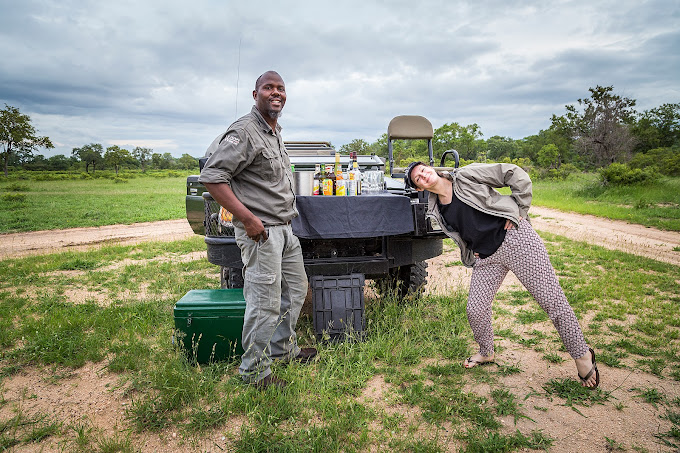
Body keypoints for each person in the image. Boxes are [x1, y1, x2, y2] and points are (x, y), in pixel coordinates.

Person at [404, 161, 599, 389]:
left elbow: (512, 173)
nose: (424, 175)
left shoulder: (465, 176)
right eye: (418, 178)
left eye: (423, 169)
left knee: (552, 301)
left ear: (431, 167)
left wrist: (520, 208)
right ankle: (486, 352)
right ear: (419, 188)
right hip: (486, 258)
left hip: (515, 240)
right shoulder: (435, 207)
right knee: (475, 309)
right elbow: (463, 229)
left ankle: (582, 355)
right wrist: (472, 250)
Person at [199, 71, 316, 390]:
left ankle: (282, 350)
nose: (276, 92)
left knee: (294, 290)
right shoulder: (245, 130)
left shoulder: (274, 132)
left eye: (280, 88)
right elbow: (212, 176)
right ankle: (253, 372)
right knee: (263, 301)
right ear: (255, 94)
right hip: (261, 232)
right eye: (268, 88)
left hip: (285, 230)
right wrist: (247, 219)